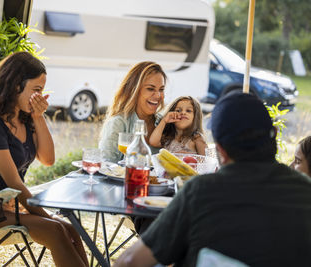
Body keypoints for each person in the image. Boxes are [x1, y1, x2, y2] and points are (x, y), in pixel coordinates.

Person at [115, 92, 311, 267]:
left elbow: (131, 261)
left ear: (221, 151)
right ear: (274, 135)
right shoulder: (305, 190)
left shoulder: (200, 191)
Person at [0, 52, 88, 267]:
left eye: (42, 91)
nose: (40, 97)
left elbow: (48, 159)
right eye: (36, 90)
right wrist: (47, 215)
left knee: (70, 228)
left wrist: (38, 117)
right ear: (15, 85)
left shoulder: (25, 119)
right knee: (55, 228)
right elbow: (15, 184)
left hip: (9, 207)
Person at [99, 61, 166, 163]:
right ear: (133, 90)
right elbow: (105, 165)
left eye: (161, 89)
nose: (158, 96)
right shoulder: (118, 123)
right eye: (150, 89)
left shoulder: (164, 123)